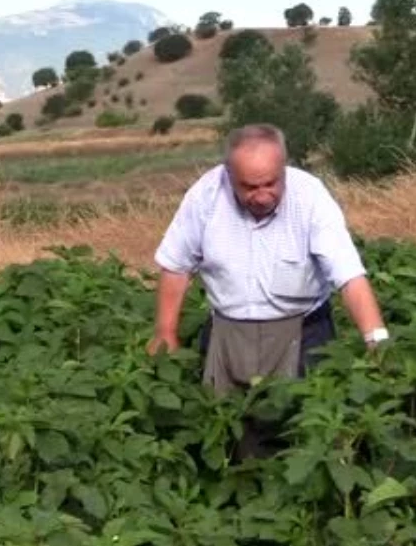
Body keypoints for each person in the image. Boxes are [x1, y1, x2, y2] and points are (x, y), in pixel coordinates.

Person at [146, 123, 389, 460]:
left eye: (271, 184)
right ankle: (237, 497)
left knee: (305, 431)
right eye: (249, 187)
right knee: (226, 430)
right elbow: (176, 265)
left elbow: (348, 275)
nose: (261, 195)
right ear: (228, 176)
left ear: (284, 170)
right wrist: (166, 331)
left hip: (303, 330)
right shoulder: (206, 195)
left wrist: (376, 340)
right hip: (228, 331)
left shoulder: (310, 196)